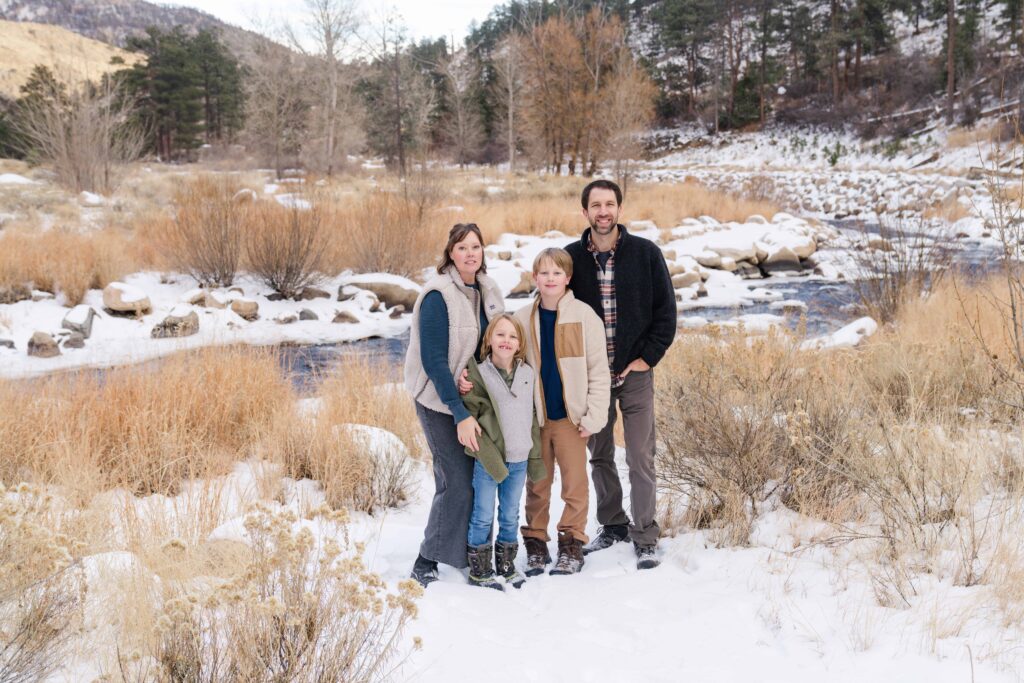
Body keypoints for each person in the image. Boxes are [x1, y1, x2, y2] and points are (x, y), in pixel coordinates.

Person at [565, 180, 676, 570]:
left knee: (641, 455)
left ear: (619, 209)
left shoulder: (646, 254)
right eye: (596, 205)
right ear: (585, 212)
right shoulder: (571, 258)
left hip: (635, 372)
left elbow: (666, 313)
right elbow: (555, 309)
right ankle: (612, 524)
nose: (603, 212)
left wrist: (647, 357)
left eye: (609, 204)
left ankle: (645, 535)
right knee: (600, 454)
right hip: (593, 377)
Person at [405, 223, 505, 588]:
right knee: (456, 482)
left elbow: (495, 343)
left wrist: (476, 377)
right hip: (438, 399)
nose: (469, 254)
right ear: (451, 253)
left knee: (482, 478)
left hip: (474, 397)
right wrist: (459, 412)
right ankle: (426, 560)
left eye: (475, 247)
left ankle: (472, 553)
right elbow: (434, 361)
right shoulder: (438, 295)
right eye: (462, 247)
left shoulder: (489, 290)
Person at [513, 247, 610, 576]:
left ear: (567, 278)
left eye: (557, 273)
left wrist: (594, 416)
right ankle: (536, 542)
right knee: (537, 484)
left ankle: (571, 543)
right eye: (544, 273)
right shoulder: (522, 318)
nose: (550, 278)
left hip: (572, 419)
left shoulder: (584, 316)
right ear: (534, 277)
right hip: (537, 419)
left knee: (574, 484)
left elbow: (598, 370)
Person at [460, 315, 546, 591]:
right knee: (483, 514)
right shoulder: (477, 374)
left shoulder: (527, 374)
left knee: (510, 514)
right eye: (500, 334)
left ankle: (506, 566)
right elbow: (471, 416)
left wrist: (535, 456)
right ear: (489, 339)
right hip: (488, 459)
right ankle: (480, 571)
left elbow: (532, 417)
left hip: (519, 458)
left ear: (520, 344)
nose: (506, 341)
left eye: (513, 336)